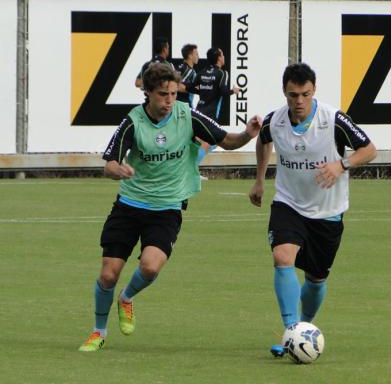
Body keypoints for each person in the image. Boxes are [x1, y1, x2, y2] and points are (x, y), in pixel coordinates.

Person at [79, 63, 262, 352]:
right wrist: (119, 171)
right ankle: (98, 332)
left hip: (167, 207)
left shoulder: (186, 115)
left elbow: (226, 140)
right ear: (148, 92)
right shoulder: (133, 121)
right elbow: (109, 164)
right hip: (129, 205)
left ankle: (126, 298)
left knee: (150, 268)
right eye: (163, 94)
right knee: (107, 274)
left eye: (173, 94)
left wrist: (248, 134)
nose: (169, 100)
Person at [248, 63, 377, 358]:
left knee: (316, 279)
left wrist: (341, 164)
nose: (299, 101)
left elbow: (369, 149)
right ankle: (291, 330)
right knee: (282, 257)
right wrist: (259, 180)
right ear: (285, 92)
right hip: (288, 203)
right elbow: (263, 139)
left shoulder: (333, 120)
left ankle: (304, 324)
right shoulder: (275, 120)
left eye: (305, 94)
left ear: (314, 90)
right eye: (293, 95)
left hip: (327, 211)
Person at [187, 47, 240, 169]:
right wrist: (233, 91)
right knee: (211, 142)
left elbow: (191, 88)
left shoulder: (202, 72)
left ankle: (189, 167)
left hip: (199, 111)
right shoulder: (222, 73)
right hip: (210, 113)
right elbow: (223, 91)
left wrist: (203, 90)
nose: (223, 57)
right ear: (219, 58)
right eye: (222, 55)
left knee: (199, 142)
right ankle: (192, 169)